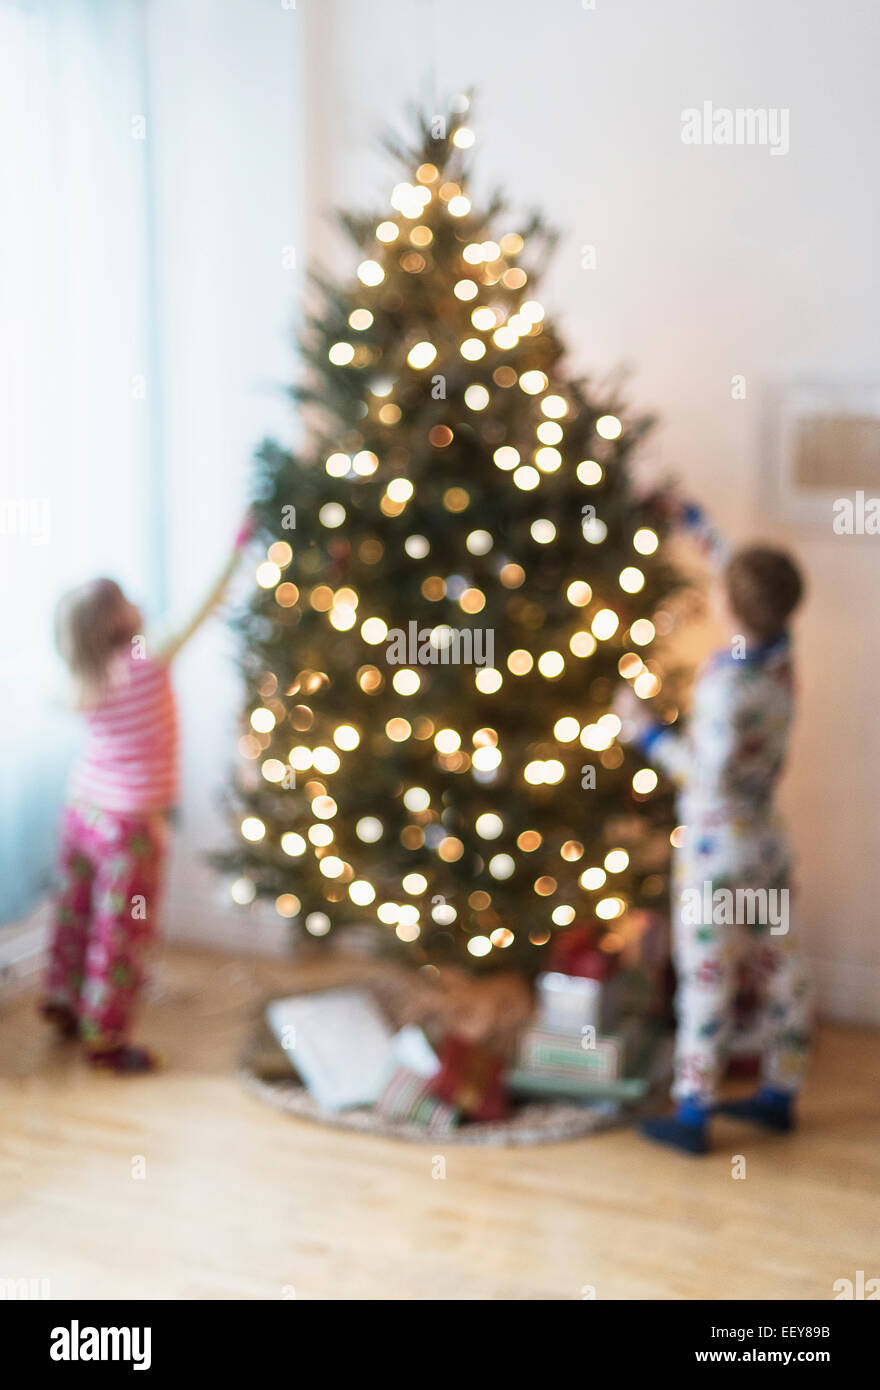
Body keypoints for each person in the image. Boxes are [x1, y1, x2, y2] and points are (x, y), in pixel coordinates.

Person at [617, 500, 811, 1153]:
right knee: (777, 961)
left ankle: (693, 1110)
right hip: (765, 841)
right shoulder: (782, 653)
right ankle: (781, 1089)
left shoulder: (730, 690)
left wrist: (645, 733)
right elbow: (740, 573)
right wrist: (689, 518)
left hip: (717, 848)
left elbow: (707, 775)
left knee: (706, 971)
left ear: (731, 607)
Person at [41, 517, 252, 1072]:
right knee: (122, 930)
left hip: (82, 810)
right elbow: (204, 606)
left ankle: (63, 1000)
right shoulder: (145, 661)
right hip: (130, 825)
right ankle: (105, 1038)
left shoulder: (79, 677)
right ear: (120, 619)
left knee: (75, 911)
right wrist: (237, 548)